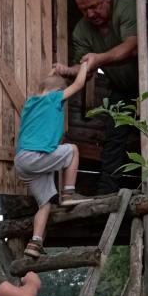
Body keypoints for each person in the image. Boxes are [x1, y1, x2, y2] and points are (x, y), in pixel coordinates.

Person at [54, 0, 139, 195]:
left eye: (94, 6)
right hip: (121, 88)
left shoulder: (126, 7)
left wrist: (98, 58)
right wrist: (69, 70)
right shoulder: (82, 30)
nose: (90, 14)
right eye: (84, 9)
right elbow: (86, 68)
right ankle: (106, 192)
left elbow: (132, 46)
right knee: (114, 136)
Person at [14, 60, 90, 259]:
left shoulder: (31, 102)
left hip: (22, 161)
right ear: (58, 91)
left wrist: (53, 71)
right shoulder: (54, 98)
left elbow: (45, 85)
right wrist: (85, 65)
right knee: (73, 150)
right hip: (35, 156)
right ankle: (69, 194)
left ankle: (35, 243)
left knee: (45, 203)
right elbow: (79, 84)